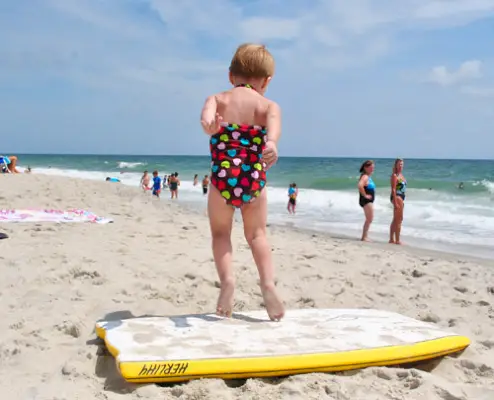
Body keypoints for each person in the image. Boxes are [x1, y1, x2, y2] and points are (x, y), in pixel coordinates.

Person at [200, 43, 284, 321]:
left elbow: (206, 121)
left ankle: (227, 282)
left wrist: (211, 126)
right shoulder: (269, 105)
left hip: (223, 177)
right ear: (267, 81)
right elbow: (273, 131)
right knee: (257, 234)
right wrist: (270, 142)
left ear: (230, 75)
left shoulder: (217, 98)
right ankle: (268, 285)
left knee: (221, 234)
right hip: (253, 176)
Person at [389, 158, 407, 245]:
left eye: (402, 164)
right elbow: (393, 189)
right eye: (399, 164)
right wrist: (395, 202)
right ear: (396, 165)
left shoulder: (401, 175)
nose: (401, 166)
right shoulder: (394, 175)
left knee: (396, 219)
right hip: (397, 196)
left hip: (401, 197)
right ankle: (397, 240)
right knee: (399, 219)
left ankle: (391, 239)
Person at [358, 160, 376, 242]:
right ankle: (364, 237)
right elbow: (360, 185)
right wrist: (365, 195)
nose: (373, 169)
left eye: (373, 167)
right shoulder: (365, 176)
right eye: (371, 167)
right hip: (366, 200)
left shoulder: (368, 177)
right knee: (370, 218)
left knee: (369, 218)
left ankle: (364, 236)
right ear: (366, 168)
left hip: (368, 200)